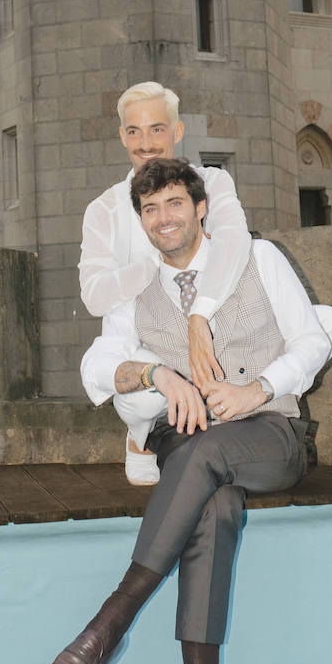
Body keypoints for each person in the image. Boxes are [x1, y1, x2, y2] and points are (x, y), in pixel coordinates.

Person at [41, 158, 332, 664]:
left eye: (174, 203)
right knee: (214, 509)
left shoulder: (258, 257)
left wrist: (257, 387)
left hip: (270, 435)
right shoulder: (135, 286)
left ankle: (110, 622)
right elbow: (99, 363)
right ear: (141, 221)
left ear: (201, 209)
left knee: (203, 462)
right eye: (150, 209)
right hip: (188, 447)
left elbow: (312, 340)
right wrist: (154, 374)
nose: (164, 218)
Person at [79, 81, 251, 483]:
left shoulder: (214, 183)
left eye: (157, 129)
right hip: (150, 338)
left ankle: (222, 415)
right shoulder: (103, 210)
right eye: (134, 131)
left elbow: (235, 245)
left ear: (177, 131)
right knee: (131, 385)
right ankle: (142, 435)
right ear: (122, 136)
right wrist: (155, 263)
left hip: (218, 325)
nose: (146, 143)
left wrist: (200, 316)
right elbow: (94, 296)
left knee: (325, 324)